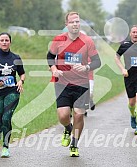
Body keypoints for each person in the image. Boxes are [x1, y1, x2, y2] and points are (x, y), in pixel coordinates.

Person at [47, 11, 101, 157]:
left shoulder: (87, 41)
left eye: (77, 21)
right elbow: (50, 57)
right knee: (63, 115)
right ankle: (67, 128)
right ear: (67, 24)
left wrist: (86, 67)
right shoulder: (59, 40)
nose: (75, 24)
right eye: (72, 22)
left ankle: (74, 144)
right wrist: (53, 69)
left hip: (81, 84)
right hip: (62, 83)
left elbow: (97, 61)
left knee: (78, 115)